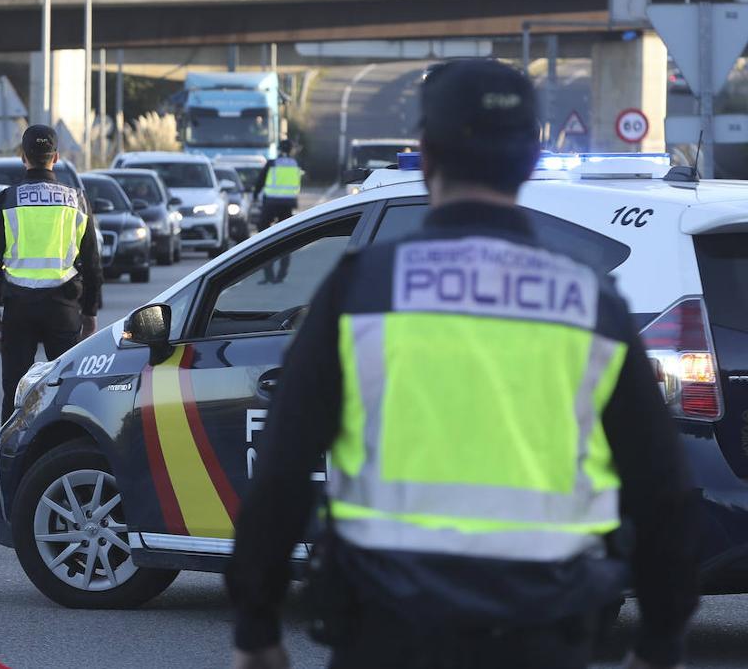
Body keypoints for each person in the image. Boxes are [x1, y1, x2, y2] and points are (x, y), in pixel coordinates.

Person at [227, 59, 700, 669]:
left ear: (425, 156)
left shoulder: (361, 289)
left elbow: (282, 475)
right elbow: (662, 493)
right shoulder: (591, 303)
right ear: (531, 160)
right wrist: (661, 640)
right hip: (543, 639)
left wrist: (257, 629)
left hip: (386, 637)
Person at [0, 125, 103, 424]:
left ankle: (10, 461)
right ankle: (61, 454)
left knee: (15, 392)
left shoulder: (7, 200)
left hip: (19, 308)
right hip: (63, 308)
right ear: (56, 157)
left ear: (24, 157)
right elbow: (92, 262)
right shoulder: (76, 200)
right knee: (67, 390)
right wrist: (90, 311)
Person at [253, 141, 302, 284]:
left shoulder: (272, 163)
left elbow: (260, 181)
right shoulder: (295, 164)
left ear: (279, 149)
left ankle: (268, 274)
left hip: (271, 203)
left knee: (263, 237)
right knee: (286, 238)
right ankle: (281, 275)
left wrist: (255, 195)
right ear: (291, 150)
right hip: (287, 204)